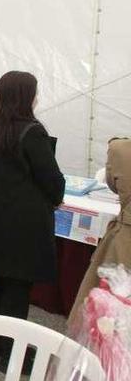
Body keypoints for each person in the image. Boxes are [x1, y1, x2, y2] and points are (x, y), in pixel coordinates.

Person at [0, 71, 64, 373]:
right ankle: (12, 354)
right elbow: (52, 180)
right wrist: (56, 196)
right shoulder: (32, 132)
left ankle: (0, 340)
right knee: (17, 287)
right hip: (22, 222)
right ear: (26, 96)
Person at [68, 137, 131, 330]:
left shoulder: (121, 150)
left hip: (124, 244)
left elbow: (114, 183)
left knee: (109, 313)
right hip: (123, 239)